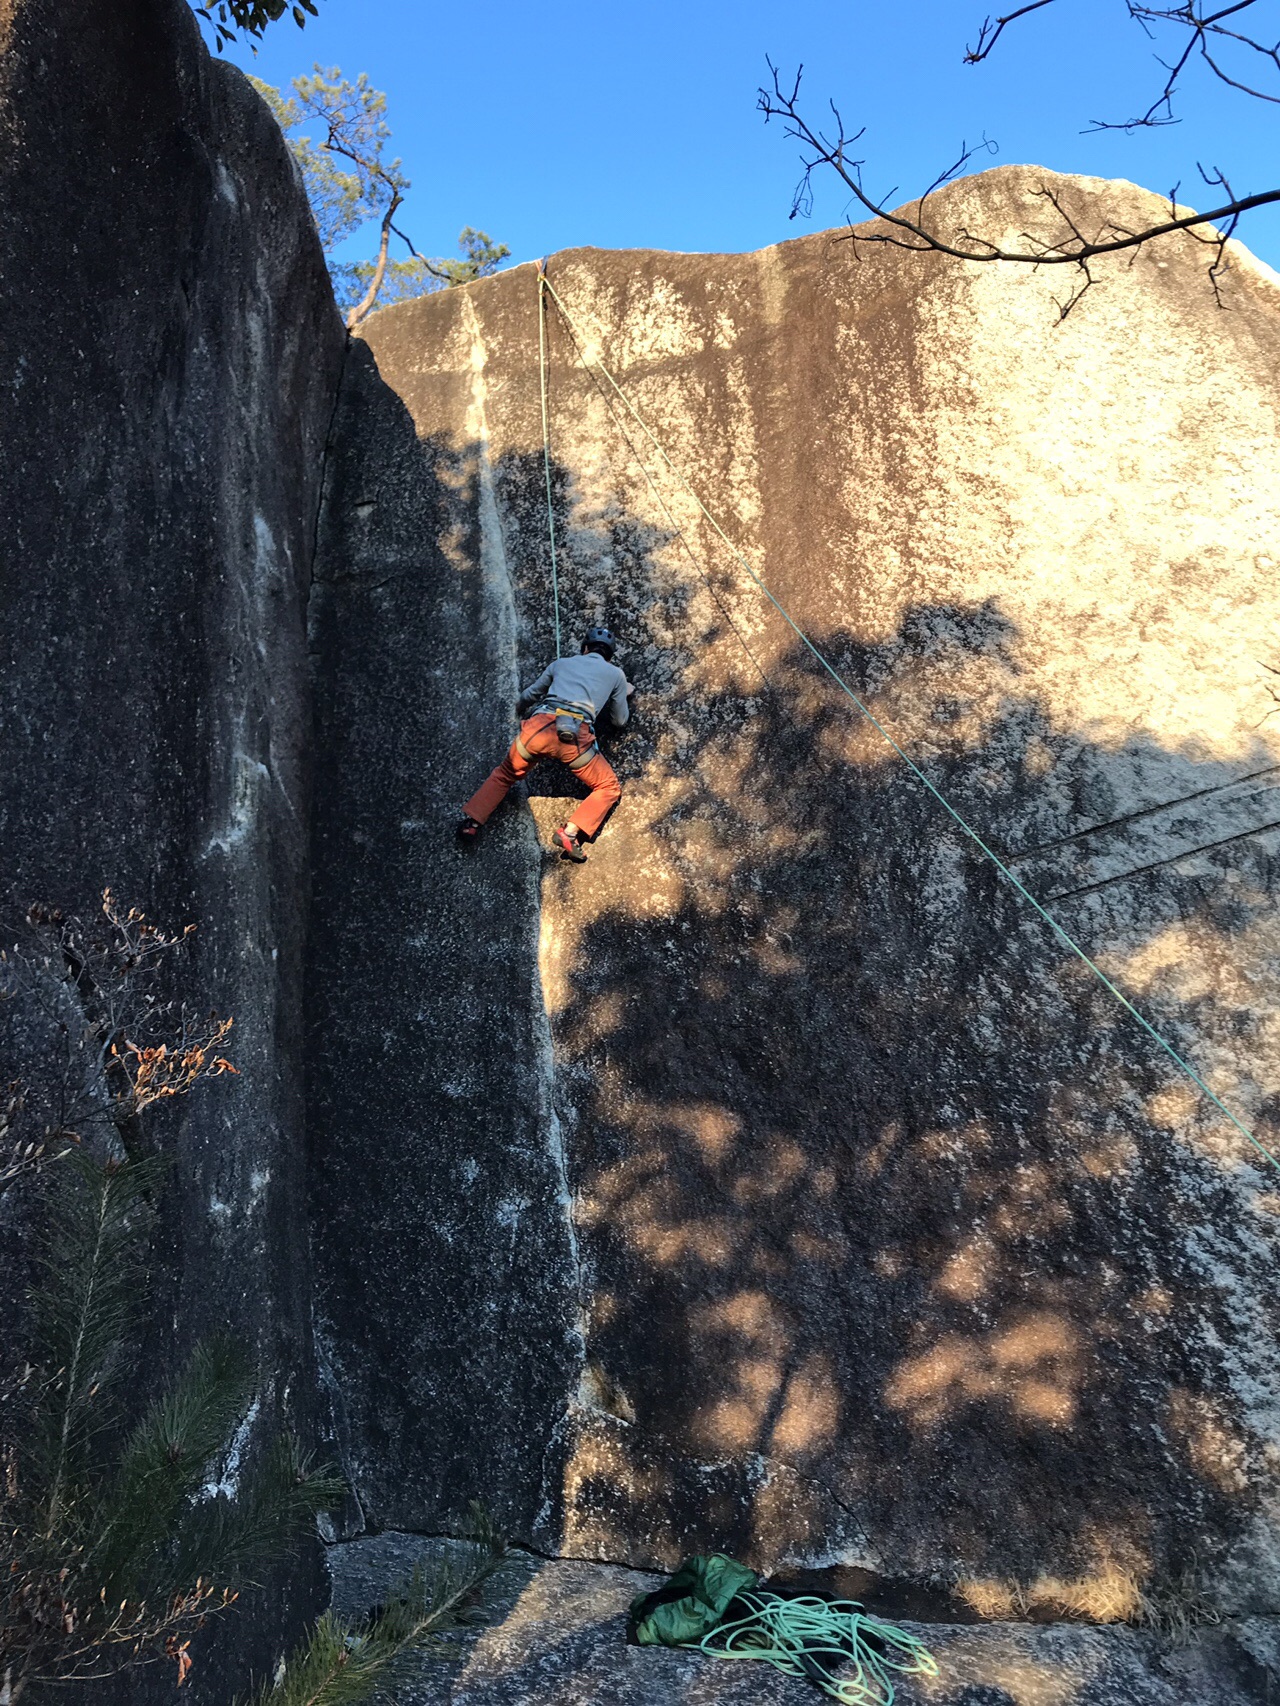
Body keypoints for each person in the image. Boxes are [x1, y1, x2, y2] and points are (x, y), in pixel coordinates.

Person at [458, 625, 635, 862]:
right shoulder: (615, 674)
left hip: (537, 731)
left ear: (584, 648)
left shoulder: (561, 663)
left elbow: (529, 695)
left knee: (504, 774)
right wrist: (620, 693)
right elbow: (620, 720)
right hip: (574, 738)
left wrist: (517, 710)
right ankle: (569, 833)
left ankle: (472, 822)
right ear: (610, 656)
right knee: (608, 787)